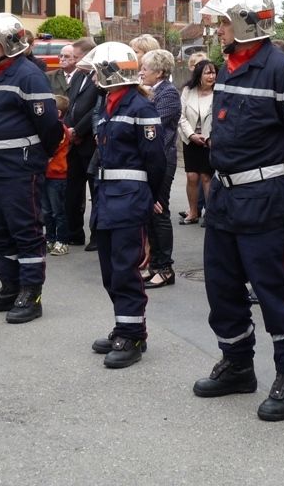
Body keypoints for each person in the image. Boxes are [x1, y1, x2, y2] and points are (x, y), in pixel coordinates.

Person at [191, 0, 284, 423]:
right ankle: (237, 364)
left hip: (266, 199)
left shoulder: (280, 70)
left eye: (224, 21)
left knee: (278, 293)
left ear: (246, 23)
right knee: (223, 288)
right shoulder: (229, 66)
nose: (218, 29)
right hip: (226, 198)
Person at [80, 42, 167, 368]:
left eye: (97, 71)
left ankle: (132, 336)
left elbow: (156, 159)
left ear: (110, 72)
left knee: (125, 268)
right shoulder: (108, 105)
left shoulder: (140, 107)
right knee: (109, 270)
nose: (92, 78)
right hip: (107, 197)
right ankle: (124, 325)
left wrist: (153, 198)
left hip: (129, 199)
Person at [0, 13, 62, 323]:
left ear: (9, 44)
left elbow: (50, 125)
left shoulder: (27, 74)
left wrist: (39, 157)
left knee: (26, 232)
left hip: (19, 169)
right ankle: (10, 287)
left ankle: (30, 293)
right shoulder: (0, 72)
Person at [140, 48, 181, 289]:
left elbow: (153, 121)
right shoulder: (151, 91)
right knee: (149, 210)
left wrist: (144, 98)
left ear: (159, 71)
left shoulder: (168, 93)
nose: (141, 72)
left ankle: (165, 267)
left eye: (145, 68)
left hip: (163, 159)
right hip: (150, 159)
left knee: (159, 210)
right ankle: (155, 264)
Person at [64, 36, 98, 249]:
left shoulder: (100, 77)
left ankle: (97, 236)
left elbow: (96, 109)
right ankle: (74, 232)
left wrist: (78, 130)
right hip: (73, 143)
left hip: (90, 143)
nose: (74, 62)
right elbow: (71, 105)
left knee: (96, 192)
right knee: (72, 191)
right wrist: (68, 129)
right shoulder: (78, 77)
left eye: (77, 57)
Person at [178, 59, 216, 224]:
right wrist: (192, 135)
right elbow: (181, 115)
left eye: (213, 72)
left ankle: (210, 213)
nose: (211, 76)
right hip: (191, 139)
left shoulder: (219, 92)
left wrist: (209, 137)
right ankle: (193, 212)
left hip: (210, 140)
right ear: (199, 75)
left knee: (206, 177)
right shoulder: (188, 90)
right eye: (207, 73)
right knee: (192, 176)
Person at [44, 94, 71, 256]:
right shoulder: (49, 128)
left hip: (56, 175)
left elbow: (51, 149)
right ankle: (50, 238)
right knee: (46, 211)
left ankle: (62, 240)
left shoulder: (60, 129)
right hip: (46, 174)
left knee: (58, 211)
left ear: (59, 113)